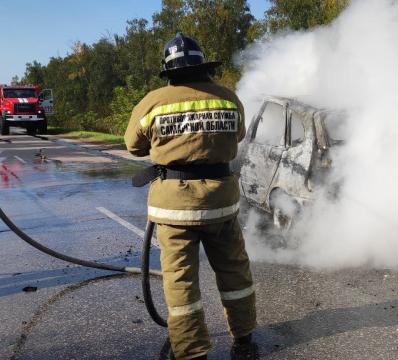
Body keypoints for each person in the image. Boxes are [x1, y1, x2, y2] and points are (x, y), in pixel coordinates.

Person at [124, 33, 258, 360]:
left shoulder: (152, 102)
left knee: (181, 282)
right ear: (204, 66)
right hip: (221, 204)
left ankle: (191, 351)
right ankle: (244, 341)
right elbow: (238, 136)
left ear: (169, 71)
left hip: (174, 210)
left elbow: (134, 146)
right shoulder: (229, 98)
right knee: (234, 272)